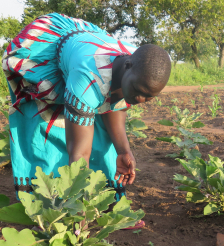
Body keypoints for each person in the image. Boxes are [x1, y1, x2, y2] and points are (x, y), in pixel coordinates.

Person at [2, 13, 171, 228]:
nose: (140, 99)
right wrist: (78, 213)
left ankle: (108, 210)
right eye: (138, 91)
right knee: (47, 129)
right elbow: (79, 153)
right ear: (126, 66)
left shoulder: (137, 67)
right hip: (44, 50)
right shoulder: (88, 77)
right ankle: (48, 211)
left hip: (83, 52)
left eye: (149, 96)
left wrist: (123, 151)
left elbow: (114, 105)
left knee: (101, 134)